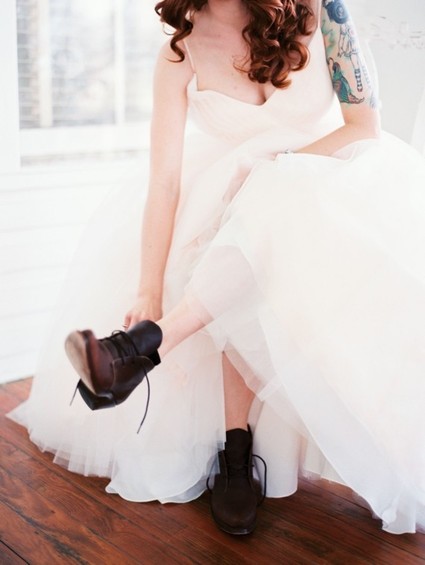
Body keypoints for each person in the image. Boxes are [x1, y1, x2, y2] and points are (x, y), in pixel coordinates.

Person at [8, 0, 425, 536]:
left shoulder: (325, 12)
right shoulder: (179, 53)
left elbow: (365, 125)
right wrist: (148, 287)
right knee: (236, 232)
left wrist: (276, 167)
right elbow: (165, 183)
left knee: (263, 208)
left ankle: (141, 352)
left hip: (330, 182)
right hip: (236, 204)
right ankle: (230, 448)